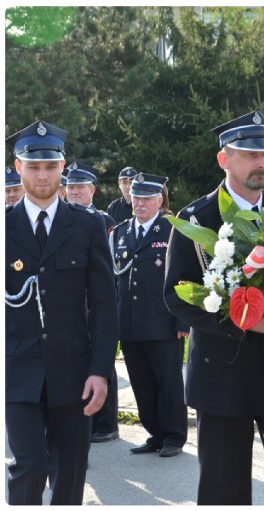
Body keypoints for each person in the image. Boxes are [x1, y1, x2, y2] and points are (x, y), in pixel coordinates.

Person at [163, 110, 264, 505]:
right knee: (223, 489)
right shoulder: (196, 218)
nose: (261, 162)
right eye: (249, 154)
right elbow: (176, 295)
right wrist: (242, 323)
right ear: (224, 159)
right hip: (222, 377)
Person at [5, 120, 118, 504]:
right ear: (18, 167)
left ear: (62, 167)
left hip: (74, 374)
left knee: (70, 475)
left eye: (50, 166)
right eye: (33, 166)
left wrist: (101, 370)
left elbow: (104, 305)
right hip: (17, 371)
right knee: (30, 466)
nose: (41, 175)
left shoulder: (87, 226)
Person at [111, 173, 189, 458]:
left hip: (163, 322)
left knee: (167, 382)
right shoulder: (121, 232)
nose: (139, 202)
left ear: (160, 199)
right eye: (136, 196)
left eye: (146, 198)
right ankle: (155, 432)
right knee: (141, 381)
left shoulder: (172, 229)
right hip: (129, 322)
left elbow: (185, 277)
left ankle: (174, 436)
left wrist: (182, 320)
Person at [65, 161, 120, 444]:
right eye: (70, 186)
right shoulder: (63, 218)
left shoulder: (103, 221)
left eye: (79, 187)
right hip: (74, 304)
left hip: (95, 299)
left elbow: (107, 266)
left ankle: (107, 423)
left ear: (92, 191)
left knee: (101, 361)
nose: (73, 192)